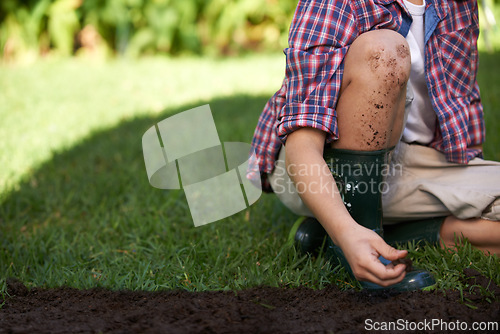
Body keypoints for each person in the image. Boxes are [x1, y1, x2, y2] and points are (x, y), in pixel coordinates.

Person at [248, 0, 500, 289]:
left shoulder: (456, 4)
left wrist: (469, 193)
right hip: (319, 168)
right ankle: (354, 235)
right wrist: (346, 232)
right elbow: (302, 146)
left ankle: (370, 236)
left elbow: (459, 102)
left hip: (416, 163)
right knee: (384, 50)